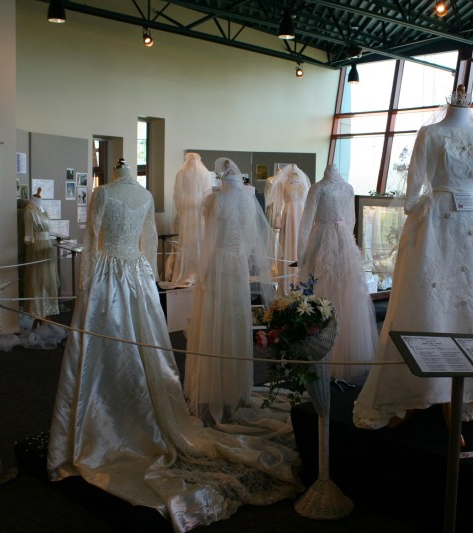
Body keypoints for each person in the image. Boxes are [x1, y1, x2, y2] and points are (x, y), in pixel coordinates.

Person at [48, 160, 299, 531]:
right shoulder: (144, 195)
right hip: (136, 275)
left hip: (108, 277)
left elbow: (93, 240)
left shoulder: (105, 194)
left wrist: (87, 282)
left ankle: (107, 418)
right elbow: (148, 244)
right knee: (132, 347)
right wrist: (148, 279)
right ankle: (124, 411)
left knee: (107, 351)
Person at [353, 86, 473, 430]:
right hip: (450, 225)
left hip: (453, 222)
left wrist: (415, 208)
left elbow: (413, 194)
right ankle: (423, 387)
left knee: (467, 302)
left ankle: (456, 390)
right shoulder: (433, 134)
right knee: (430, 299)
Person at [185, 157, 276, 426]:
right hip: (237, 264)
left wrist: (202, 272)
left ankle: (215, 387)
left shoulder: (215, 200)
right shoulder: (247, 199)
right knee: (234, 320)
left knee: (217, 320)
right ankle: (234, 387)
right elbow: (250, 238)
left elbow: (209, 240)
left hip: (219, 264)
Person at [297, 163, 378, 382]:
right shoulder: (340, 187)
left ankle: (331, 350)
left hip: (326, 237)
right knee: (337, 289)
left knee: (333, 289)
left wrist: (301, 254)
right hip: (341, 238)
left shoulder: (320, 188)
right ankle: (332, 348)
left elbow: (306, 222)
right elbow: (350, 220)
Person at [164, 152, 213, 285]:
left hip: (187, 213)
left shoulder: (181, 173)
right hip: (200, 213)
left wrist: (182, 209)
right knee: (198, 241)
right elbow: (208, 195)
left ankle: (186, 272)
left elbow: (177, 195)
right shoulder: (205, 173)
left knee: (187, 243)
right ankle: (199, 273)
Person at [268, 164, 310, 296]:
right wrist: (277, 217)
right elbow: (278, 202)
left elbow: (308, 202)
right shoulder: (283, 182)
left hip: (301, 216)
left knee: (300, 244)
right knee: (289, 245)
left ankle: (301, 281)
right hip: (288, 217)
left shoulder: (303, 181)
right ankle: (287, 283)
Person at [23, 193, 60, 327]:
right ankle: (38, 310)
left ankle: (47, 310)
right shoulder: (29, 211)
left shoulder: (42, 209)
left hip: (47, 247)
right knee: (38, 279)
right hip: (37, 248)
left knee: (48, 279)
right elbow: (28, 237)